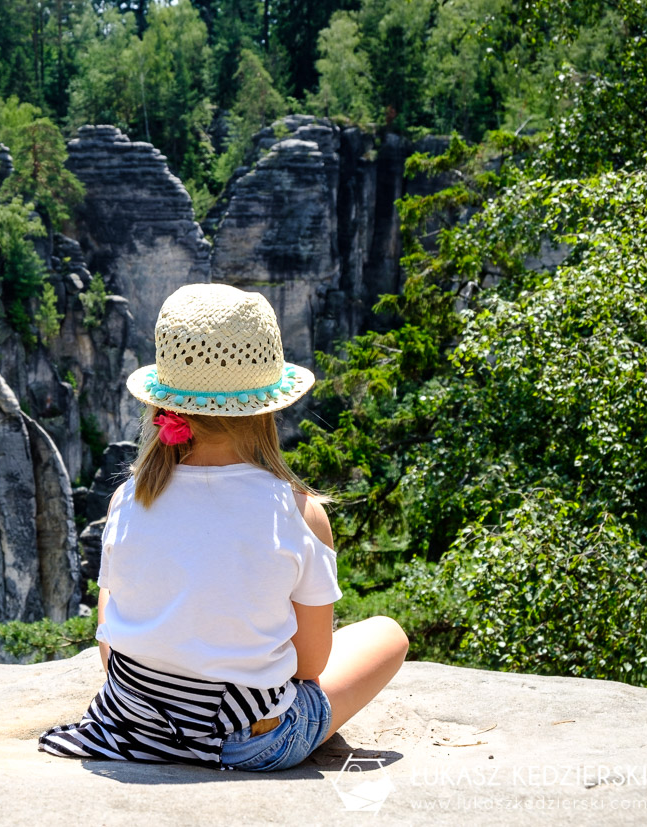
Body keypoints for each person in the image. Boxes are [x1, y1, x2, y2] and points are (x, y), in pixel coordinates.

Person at [39, 283, 409, 771]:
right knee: (388, 634)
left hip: (127, 723)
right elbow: (311, 665)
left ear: (163, 402)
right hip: (245, 743)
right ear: (269, 404)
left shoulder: (127, 497)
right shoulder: (298, 512)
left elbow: (109, 638)